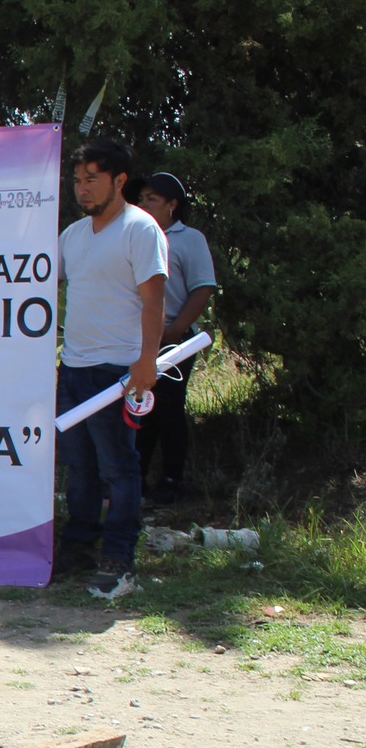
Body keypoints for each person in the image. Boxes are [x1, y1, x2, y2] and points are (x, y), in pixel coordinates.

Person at [56, 140, 167, 602]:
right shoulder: (73, 236)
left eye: (92, 179)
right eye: (78, 180)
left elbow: (154, 299)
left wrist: (145, 362)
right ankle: (78, 547)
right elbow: (42, 285)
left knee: (119, 469)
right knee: (79, 468)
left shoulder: (141, 230)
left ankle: (120, 560)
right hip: (75, 368)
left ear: (120, 181)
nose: (82, 189)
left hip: (118, 373)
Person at [134, 171, 217, 505]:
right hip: (136, 340)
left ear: (172, 205)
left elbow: (203, 287)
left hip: (174, 340)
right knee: (137, 408)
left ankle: (171, 481)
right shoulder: (133, 235)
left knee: (167, 408)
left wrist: (176, 330)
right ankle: (134, 480)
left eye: (151, 199)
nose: (143, 204)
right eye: (140, 199)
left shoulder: (189, 238)